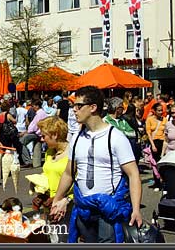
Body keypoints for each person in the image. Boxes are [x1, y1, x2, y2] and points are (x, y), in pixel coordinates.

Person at [50, 86, 142, 243]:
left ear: (93, 107)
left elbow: (133, 174)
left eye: (79, 106)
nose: (74, 110)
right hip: (84, 208)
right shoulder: (77, 138)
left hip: (108, 209)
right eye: (74, 106)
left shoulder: (116, 137)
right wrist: (57, 199)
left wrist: (136, 209)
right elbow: (68, 173)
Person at [33, 116, 73, 243]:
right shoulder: (50, 152)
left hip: (66, 208)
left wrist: (63, 199)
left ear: (55, 135)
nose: (42, 139)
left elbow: (78, 183)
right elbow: (47, 176)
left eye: (44, 136)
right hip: (49, 208)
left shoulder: (73, 153)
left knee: (63, 240)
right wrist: (41, 194)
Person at [19, 99, 48, 168]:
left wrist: (25, 132)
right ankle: (33, 162)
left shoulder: (39, 114)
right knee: (36, 146)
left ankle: (27, 160)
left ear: (37, 106)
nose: (33, 107)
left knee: (21, 142)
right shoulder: (42, 113)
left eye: (34, 106)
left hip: (36, 133)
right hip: (39, 133)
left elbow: (34, 126)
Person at [145, 103, 167, 190]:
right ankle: (157, 183)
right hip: (154, 142)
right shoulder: (150, 119)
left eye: (162, 110)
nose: (161, 112)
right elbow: (148, 133)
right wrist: (152, 145)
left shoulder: (165, 120)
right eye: (159, 110)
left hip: (163, 142)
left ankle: (164, 183)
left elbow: (166, 133)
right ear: (154, 111)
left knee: (163, 163)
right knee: (155, 164)